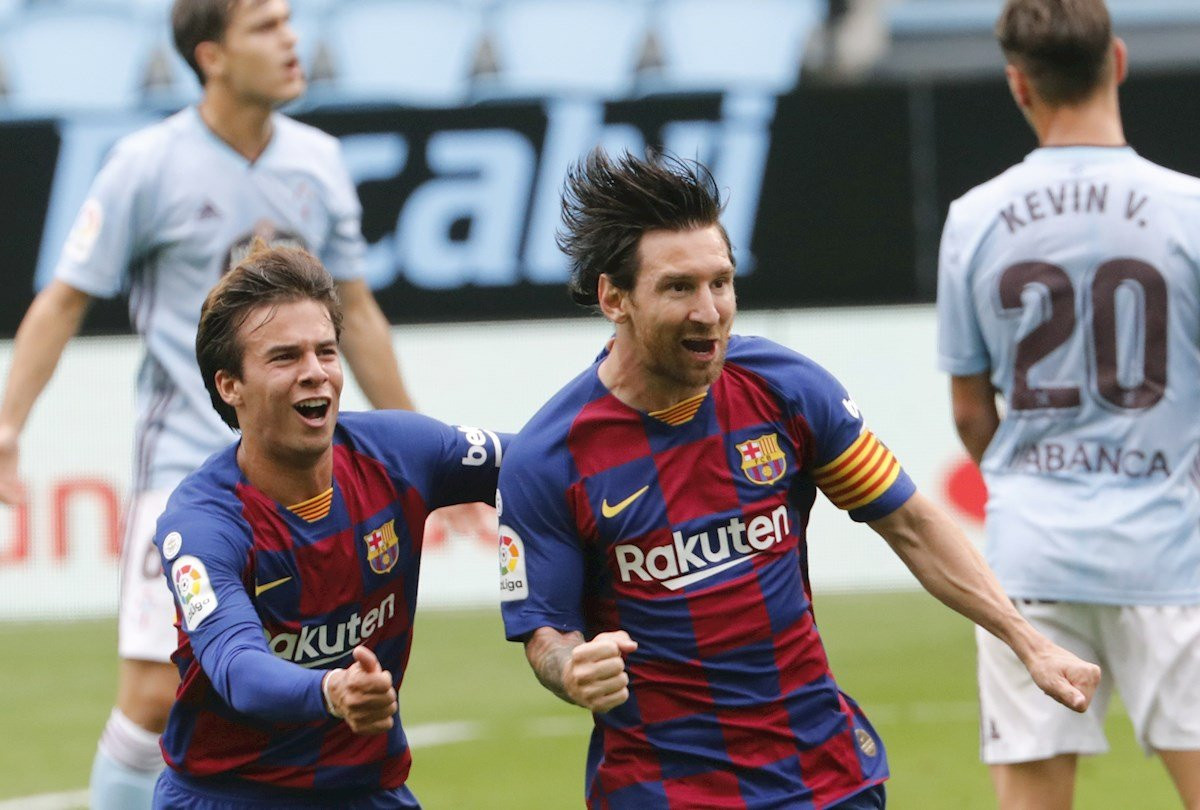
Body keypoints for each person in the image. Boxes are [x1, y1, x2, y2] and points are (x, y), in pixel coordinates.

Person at [498, 149, 1100, 809]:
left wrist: (1029, 643)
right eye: (679, 288)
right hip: (663, 792)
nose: (710, 311)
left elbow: (912, 525)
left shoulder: (784, 390)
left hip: (825, 779)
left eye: (720, 282)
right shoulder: (550, 457)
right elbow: (547, 631)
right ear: (614, 297)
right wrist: (573, 669)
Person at [0, 2, 417, 807]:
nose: (292, 39)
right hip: (184, 464)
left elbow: (357, 313)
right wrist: (8, 424)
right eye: (265, 26)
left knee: (313, 674)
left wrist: (411, 441)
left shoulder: (321, 161)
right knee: (158, 694)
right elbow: (62, 301)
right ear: (211, 55)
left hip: (297, 474)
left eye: (290, 20)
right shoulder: (144, 164)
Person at [936, 1, 1200, 807]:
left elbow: (972, 412)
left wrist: (1024, 481)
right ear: (1116, 60)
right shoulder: (1191, 208)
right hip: (1172, 552)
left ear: (1019, 84)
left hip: (1033, 556)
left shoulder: (974, 219)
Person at [152, 243, 503, 808]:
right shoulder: (201, 525)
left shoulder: (402, 452)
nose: (315, 374)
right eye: (285, 357)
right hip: (229, 795)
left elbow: (548, 465)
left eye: (326, 352)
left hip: (367, 791)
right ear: (229, 385)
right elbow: (239, 669)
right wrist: (331, 690)